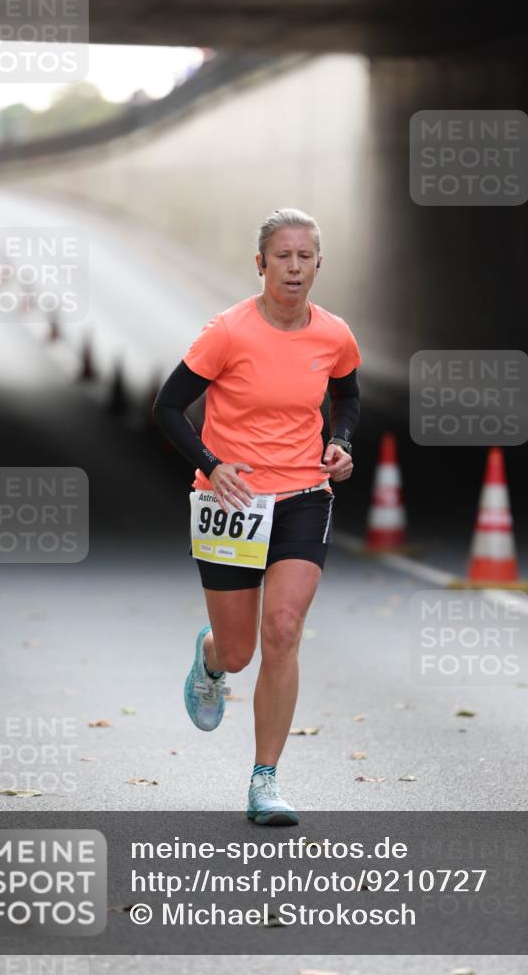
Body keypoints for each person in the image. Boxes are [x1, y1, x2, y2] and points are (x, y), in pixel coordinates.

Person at [154, 208, 361, 825]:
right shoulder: (228, 332)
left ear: (319, 263)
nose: (294, 267)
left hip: (303, 495)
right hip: (232, 503)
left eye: (305, 256)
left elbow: (347, 394)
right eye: (283, 256)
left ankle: (264, 781)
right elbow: (168, 407)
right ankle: (211, 658)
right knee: (242, 649)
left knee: (283, 631)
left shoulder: (334, 334)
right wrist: (213, 465)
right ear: (262, 264)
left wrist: (341, 444)